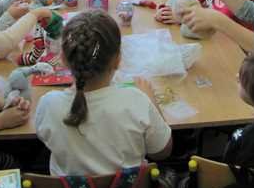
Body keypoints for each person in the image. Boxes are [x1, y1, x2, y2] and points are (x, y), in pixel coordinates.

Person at [35, 10, 172, 176]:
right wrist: (151, 101)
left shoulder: (48, 104)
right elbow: (162, 152)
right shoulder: (137, 101)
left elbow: (45, 138)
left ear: (63, 59)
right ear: (118, 60)